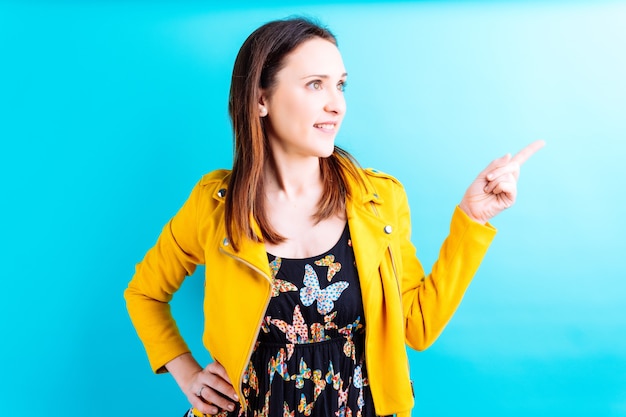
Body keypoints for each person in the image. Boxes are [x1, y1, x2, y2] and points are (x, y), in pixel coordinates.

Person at [124, 17, 544, 417]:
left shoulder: (377, 199)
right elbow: (144, 294)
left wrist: (473, 219)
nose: (336, 105)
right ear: (260, 98)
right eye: (314, 85)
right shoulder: (215, 203)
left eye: (340, 86)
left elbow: (418, 324)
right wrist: (185, 372)